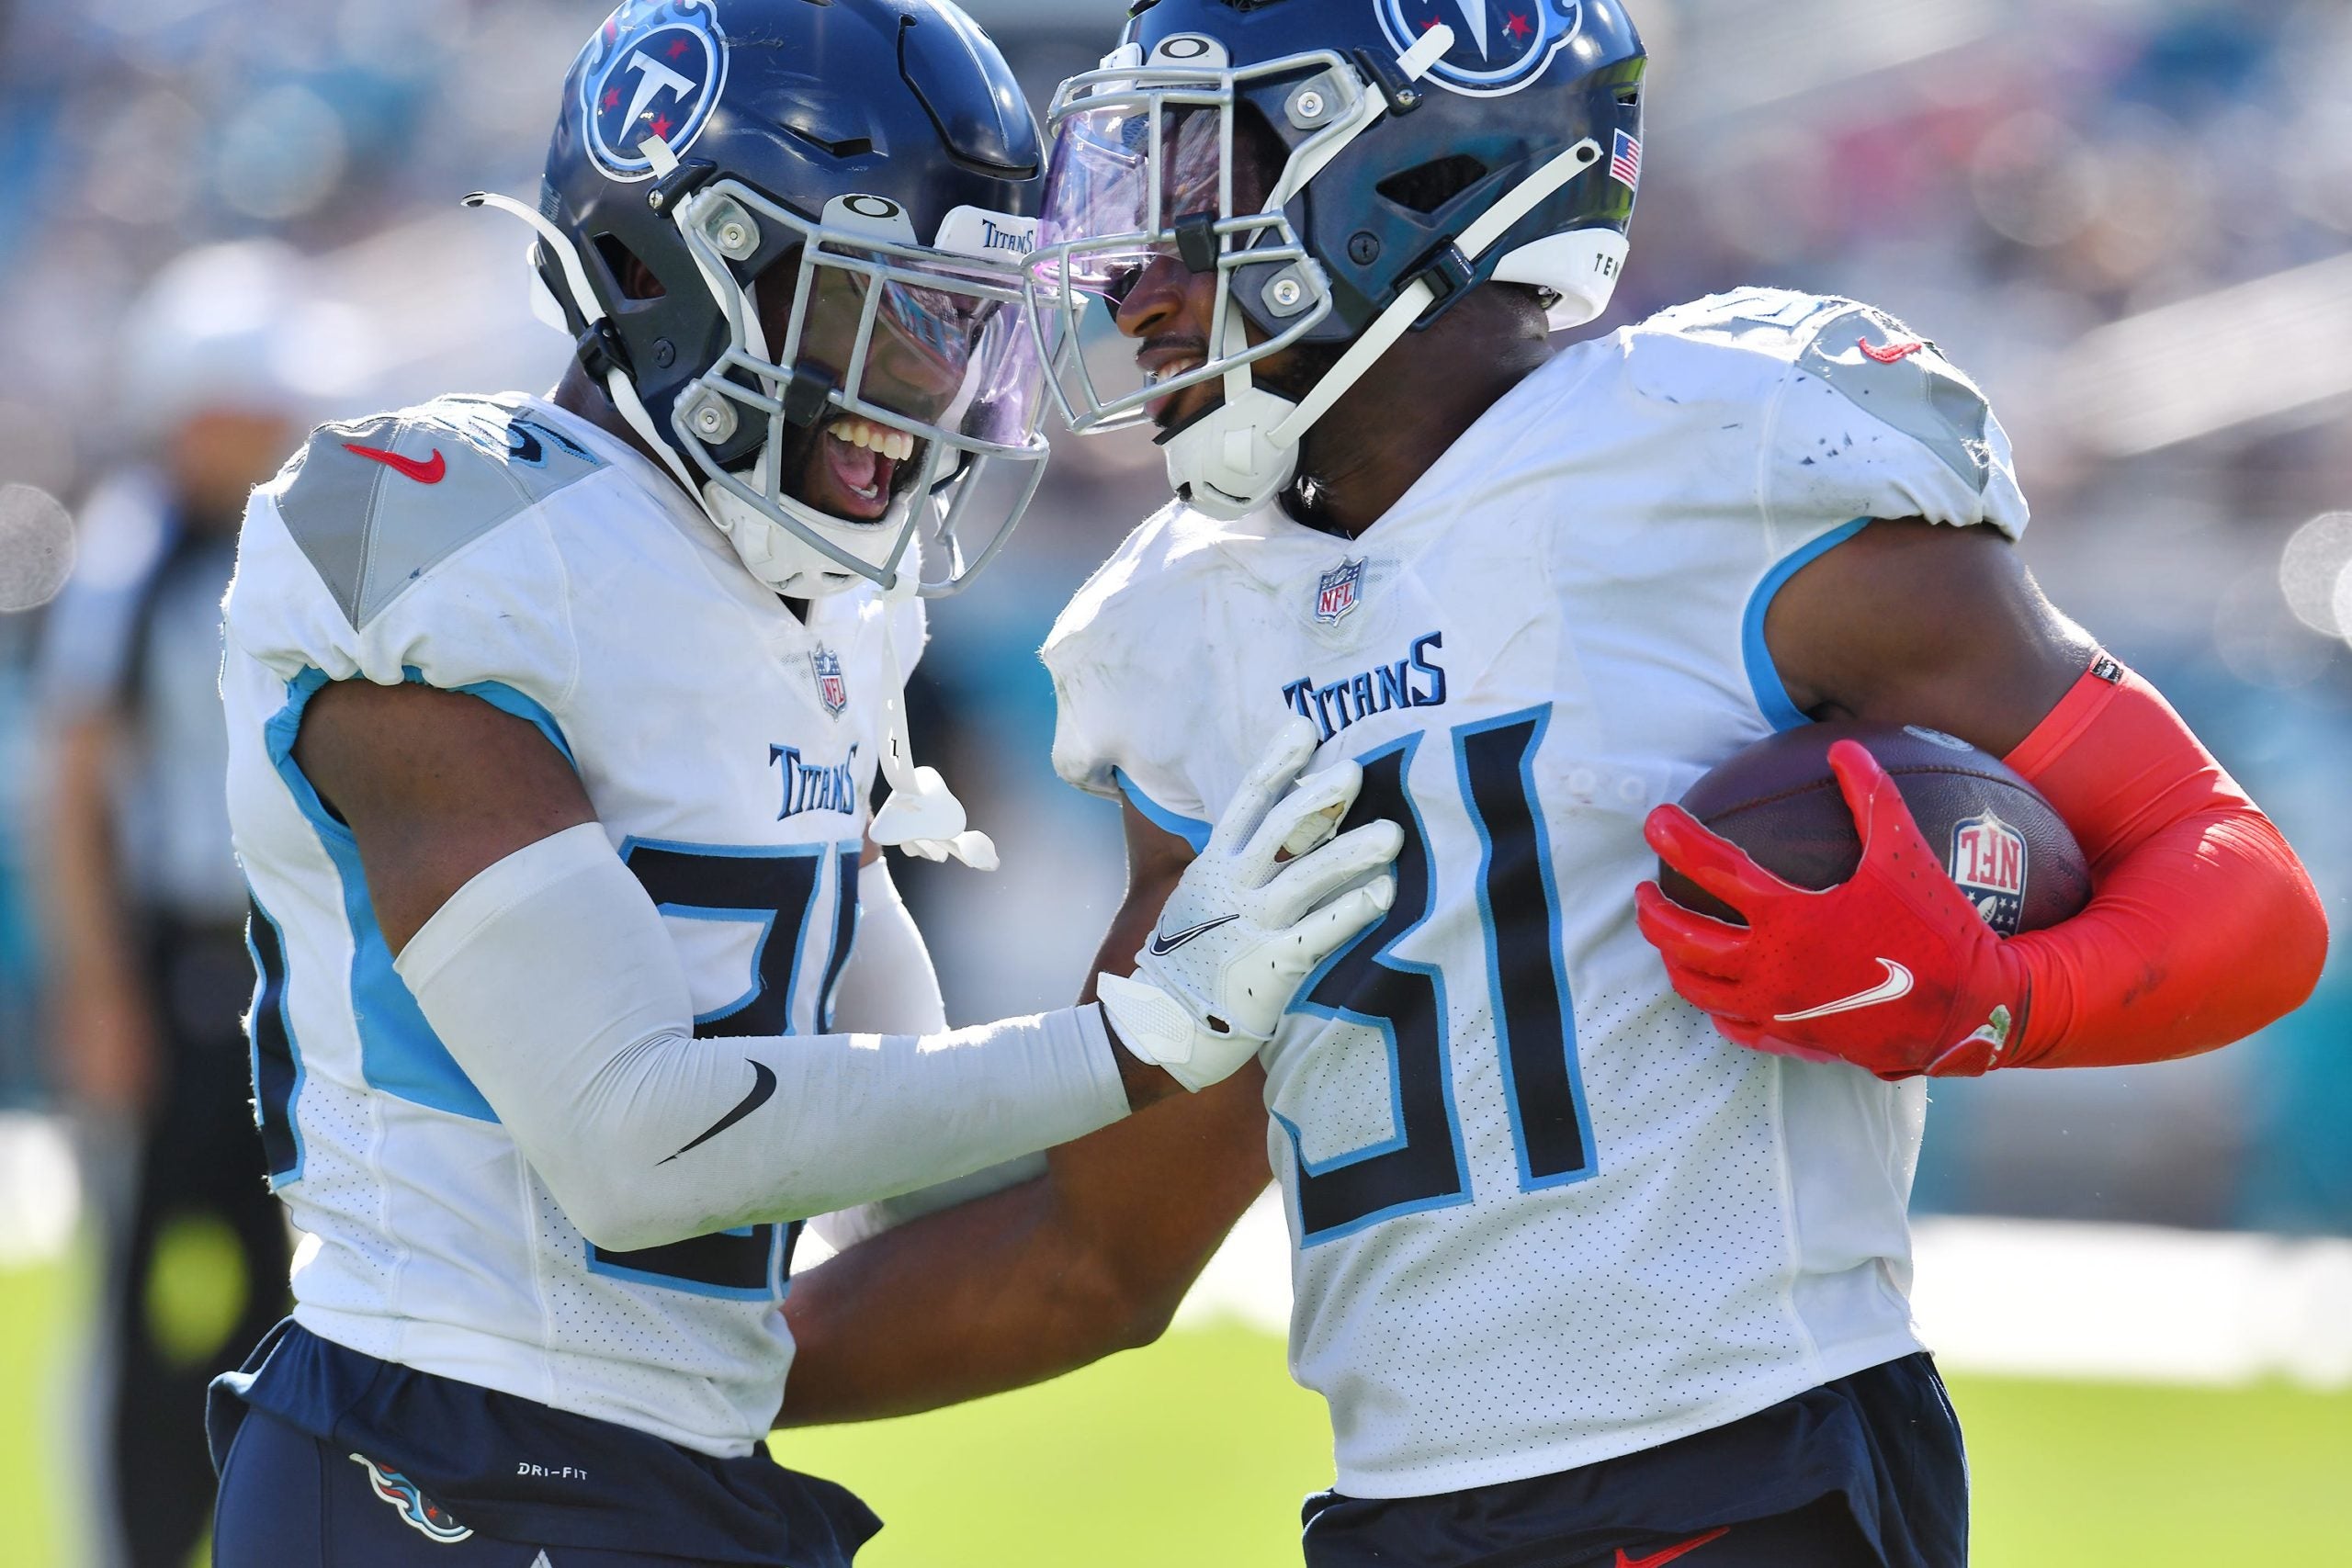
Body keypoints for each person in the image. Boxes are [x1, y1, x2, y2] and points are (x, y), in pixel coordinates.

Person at [773, 4, 2330, 1565]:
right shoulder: (1177, 628)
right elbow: (1098, 1253)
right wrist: (652, 1386)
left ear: (1407, 169)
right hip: (1400, 1518)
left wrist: (1986, 990)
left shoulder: (1728, 455)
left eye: (1190, 181)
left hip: (1746, 1475)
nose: (1129, 268)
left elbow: (2238, 884)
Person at [205, 1, 1396, 1562]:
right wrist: (1135, 1039)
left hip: (680, 1461)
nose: (941, 379)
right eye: (891, 304)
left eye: (971, 320)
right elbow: (634, 1147)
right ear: (682, 266)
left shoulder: (831, 607)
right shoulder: (442, 533)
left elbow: (885, 1109)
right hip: (435, 1443)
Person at [39, 241, 325, 1568]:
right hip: (184, 963)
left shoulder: (315, 533)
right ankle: (135, 1542)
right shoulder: (133, 551)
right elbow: (78, 787)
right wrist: (95, 988)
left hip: (303, 970)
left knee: (300, 1292)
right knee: (145, 1288)